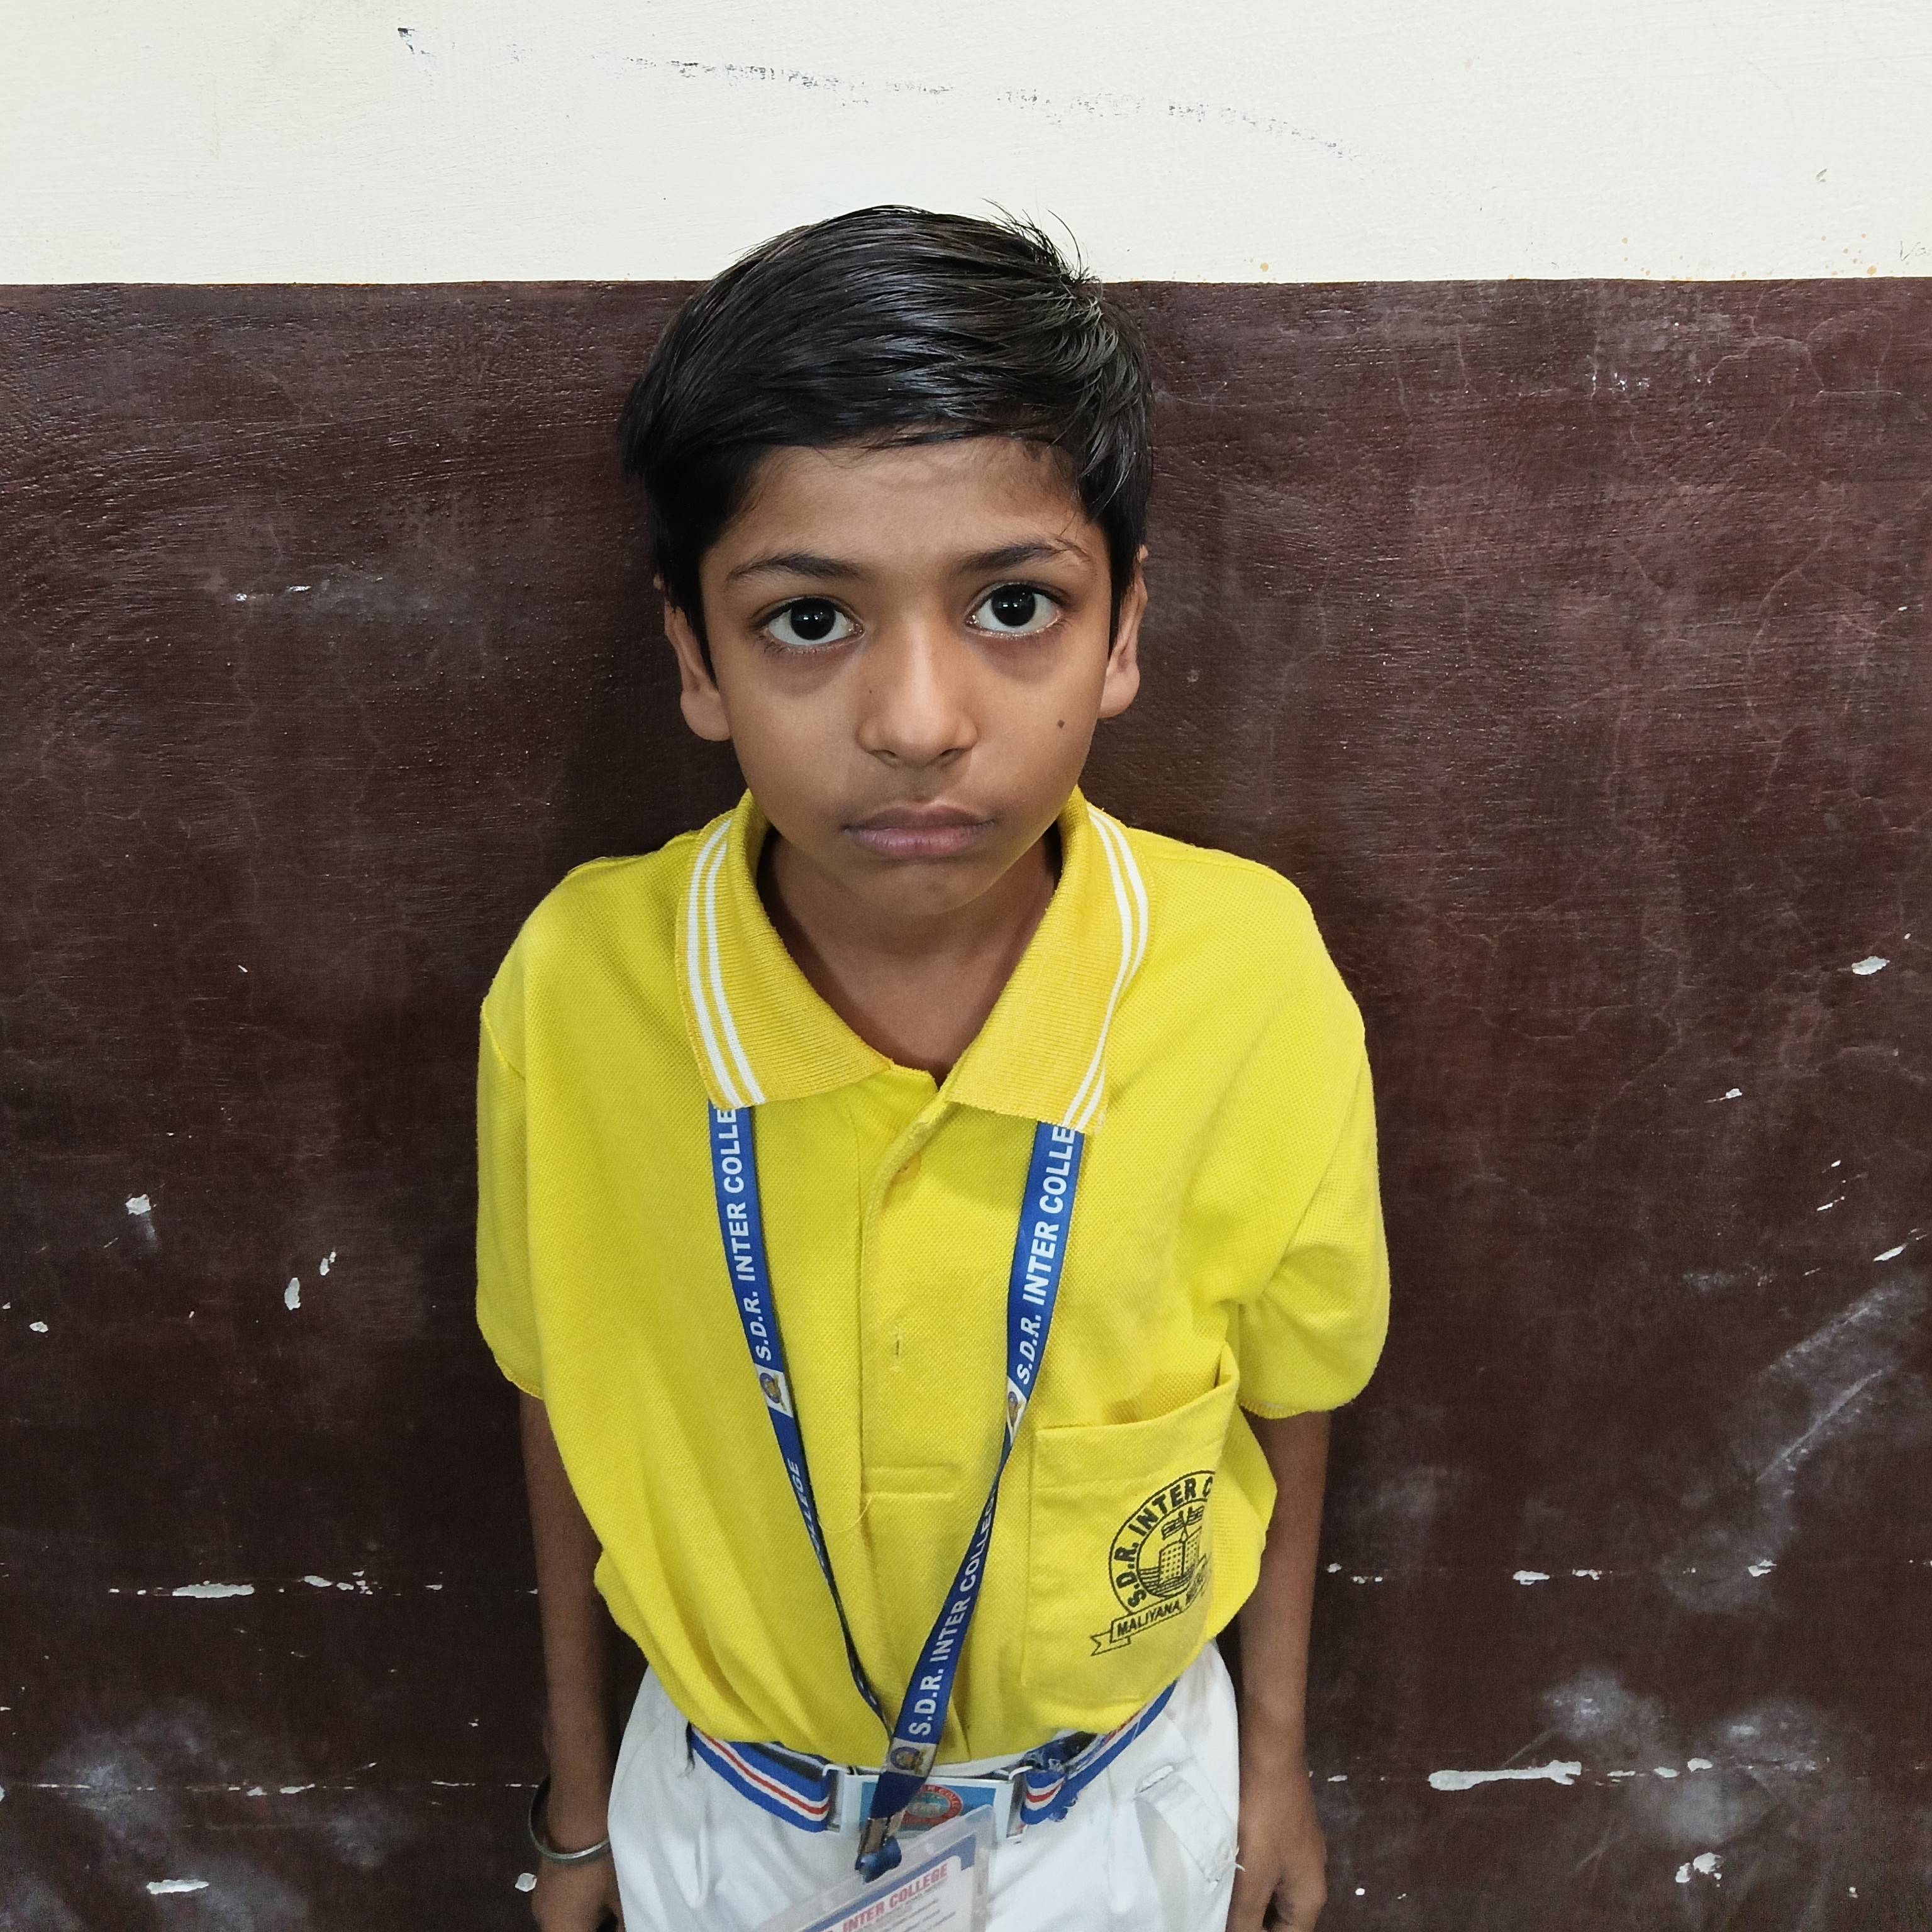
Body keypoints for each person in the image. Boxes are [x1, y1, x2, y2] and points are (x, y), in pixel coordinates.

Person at [476, 206, 1388, 1932]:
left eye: (1015, 606)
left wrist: (1271, 1763)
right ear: (696, 658)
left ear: (1124, 632)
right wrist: (580, 1808)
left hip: (1119, 1800)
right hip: (729, 1817)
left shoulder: (1247, 972)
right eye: (810, 619)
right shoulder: (584, 987)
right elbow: (558, 1394)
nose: (916, 720)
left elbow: (1295, 1390)